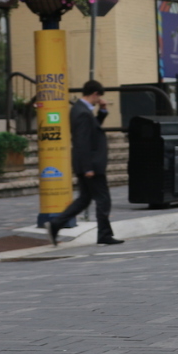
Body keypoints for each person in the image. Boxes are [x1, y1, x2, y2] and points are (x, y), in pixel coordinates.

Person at [48, 80, 121, 246]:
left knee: (84, 199)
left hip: (87, 164)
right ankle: (104, 234)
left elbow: (92, 130)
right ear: (94, 94)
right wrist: (88, 167)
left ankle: (56, 224)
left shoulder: (82, 111)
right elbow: (82, 142)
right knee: (103, 199)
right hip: (91, 165)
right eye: (99, 98)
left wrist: (102, 111)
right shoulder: (81, 112)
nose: (99, 100)